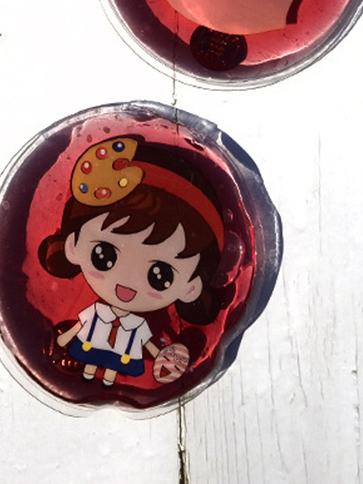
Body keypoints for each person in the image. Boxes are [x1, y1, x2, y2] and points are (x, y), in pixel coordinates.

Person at [38, 135, 225, 387]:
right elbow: (78, 329)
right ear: (73, 246)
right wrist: (61, 341)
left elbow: (147, 343)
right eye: (104, 256)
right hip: (89, 356)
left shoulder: (133, 323)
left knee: (111, 370)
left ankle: (104, 377)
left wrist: (164, 357)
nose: (127, 279)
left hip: (129, 363)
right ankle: (95, 375)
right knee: (94, 365)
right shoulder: (96, 314)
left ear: (191, 287)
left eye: (160, 276)